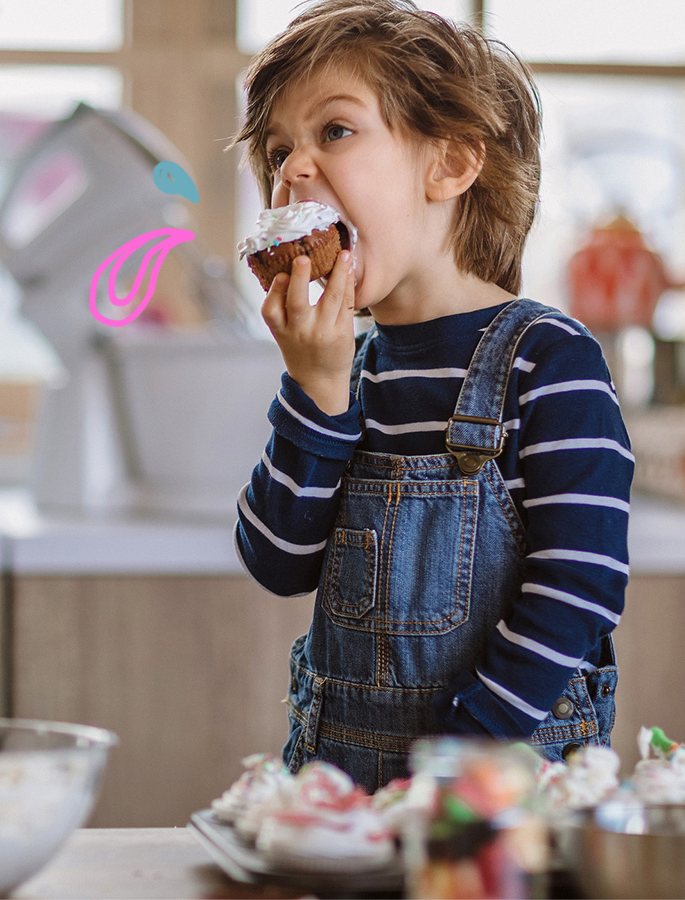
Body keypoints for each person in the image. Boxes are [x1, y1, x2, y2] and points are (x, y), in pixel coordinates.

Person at [232, 0, 633, 791]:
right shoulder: (346, 369)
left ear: (448, 164)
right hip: (340, 786)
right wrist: (313, 390)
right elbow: (276, 561)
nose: (293, 169)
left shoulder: (548, 361)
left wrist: (465, 753)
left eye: (334, 131)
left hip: (497, 792)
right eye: (279, 150)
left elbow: (580, 577)